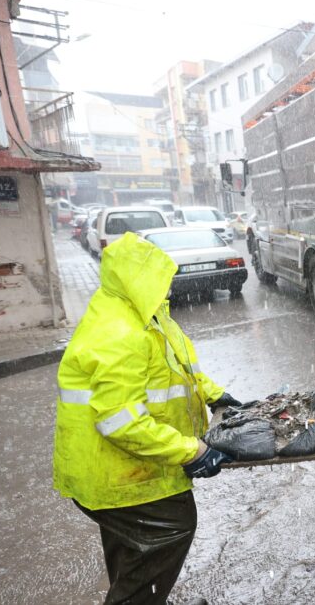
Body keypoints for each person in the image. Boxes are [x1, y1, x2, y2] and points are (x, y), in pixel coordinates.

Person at [53, 232, 241, 605]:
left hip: (127, 466)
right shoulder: (120, 333)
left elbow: (180, 369)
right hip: (116, 472)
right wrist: (191, 451)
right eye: (159, 276)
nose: (167, 284)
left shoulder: (149, 314)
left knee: (134, 545)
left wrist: (213, 393)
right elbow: (121, 423)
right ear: (137, 280)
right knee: (172, 527)